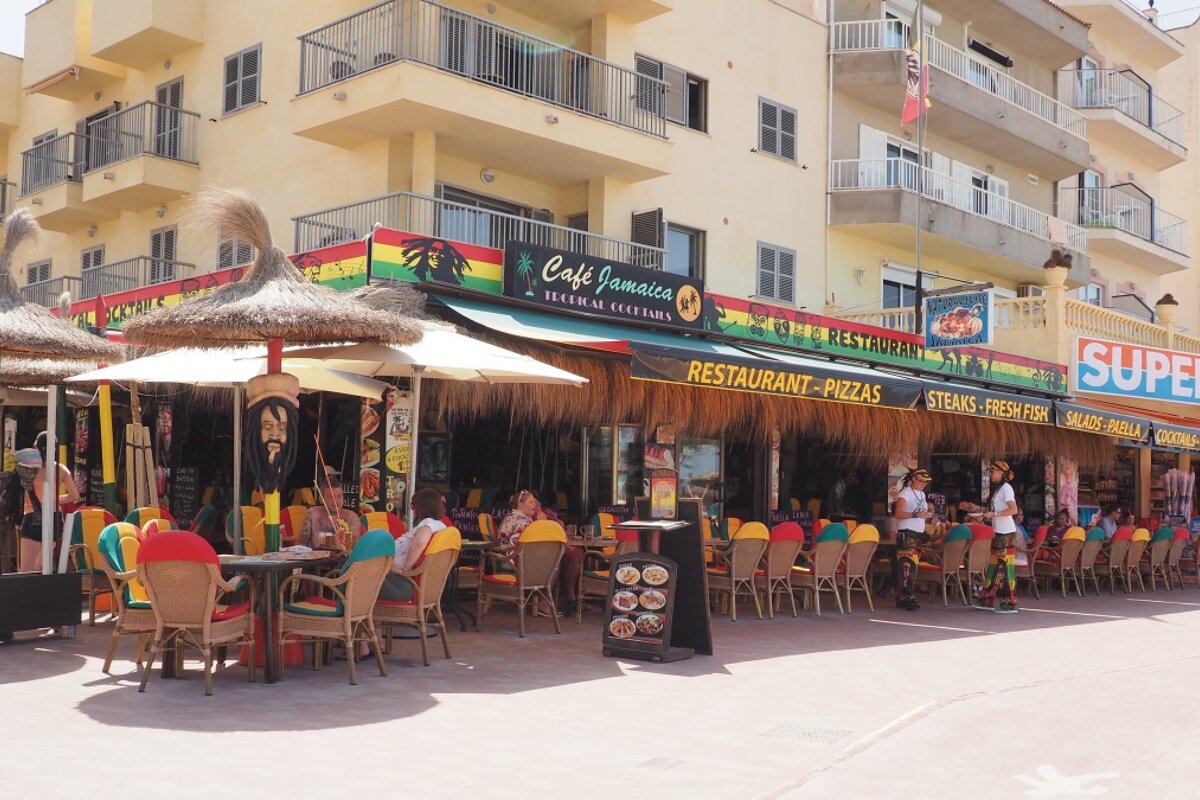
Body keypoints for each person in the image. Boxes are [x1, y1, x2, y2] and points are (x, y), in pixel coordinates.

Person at [497, 489, 582, 617]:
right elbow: (529, 545)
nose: (534, 505)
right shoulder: (522, 521)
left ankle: (563, 599)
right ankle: (544, 603)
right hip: (513, 561)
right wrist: (543, 523)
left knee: (563, 558)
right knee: (555, 564)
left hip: (512, 558)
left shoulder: (516, 517)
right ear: (520, 505)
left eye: (535, 502)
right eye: (531, 502)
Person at [16, 433, 80, 573]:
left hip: (33, 516)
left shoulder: (30, 469)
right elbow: (75, 496)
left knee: (26, 571)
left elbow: (24, 497)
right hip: (54, 518)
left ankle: (28, 595)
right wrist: (55, 500)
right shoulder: (61, 469)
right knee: (43, 568)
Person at [378, 488, 446, 602]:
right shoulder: (439, 526)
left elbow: (420, 543)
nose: (413, 511)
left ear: (421, 508)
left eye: (413, 507)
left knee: (357, 578)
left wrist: (405, 569)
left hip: (402, 584)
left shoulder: (427, 524)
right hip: (407, 583)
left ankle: (348, 616)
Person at [976, 460, 1020, 614]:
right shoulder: (998, 489)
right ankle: (987, 598)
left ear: (1002, 472)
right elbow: (996, 509)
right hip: (999, 531)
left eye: (993, 471)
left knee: (1005, 568)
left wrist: (995, 514)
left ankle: (1009, 601)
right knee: (994, 566)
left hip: (1006, 532)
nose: (991, 473)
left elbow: (1014, 509)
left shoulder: (1006, 488)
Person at [893, 468, 934, 612]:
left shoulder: (922, 494)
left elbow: (920, 513)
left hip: (917, 533)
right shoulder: (905, 493)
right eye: (921, 481)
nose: (923, 484)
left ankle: (908, 594)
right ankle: (904, 596)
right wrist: (916, 515)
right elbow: (898, 513)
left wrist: (928, 515)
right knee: (906, 565)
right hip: (907, 532)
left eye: (925, 482)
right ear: (913, 480)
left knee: (913, 566)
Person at [300, 469, 360, 552]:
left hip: (343, 562)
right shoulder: (312, 514)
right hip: (315, 562)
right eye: (331, 497)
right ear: (321, 499)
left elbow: (355, 547)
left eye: (339, 496)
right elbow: (301, 545)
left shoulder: (351, 517)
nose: (336, 501)